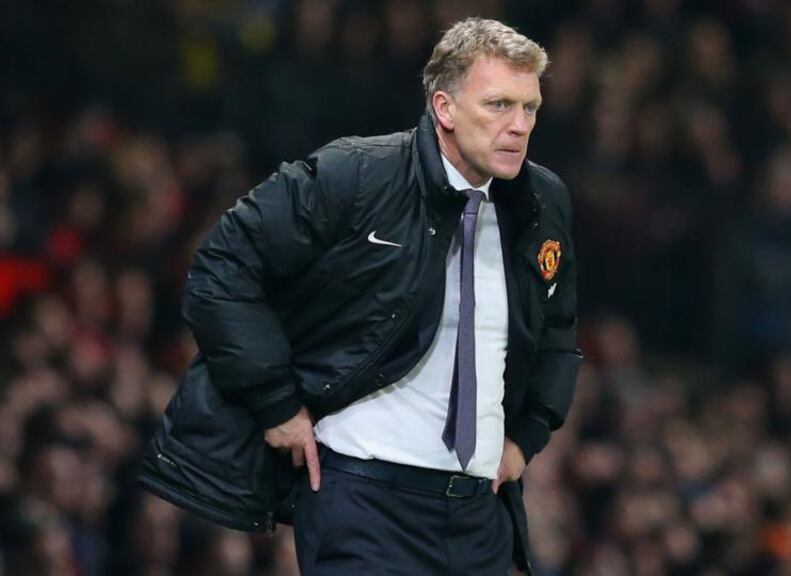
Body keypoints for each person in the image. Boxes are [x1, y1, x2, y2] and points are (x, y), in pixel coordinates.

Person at [138, 17, 581, 575]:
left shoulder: (542, 201)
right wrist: (275, 401)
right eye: (498, 105)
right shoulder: (359, 173)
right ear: (444, 108)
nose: (519, 126)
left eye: (530, 108)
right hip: (364, 498)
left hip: (478, 515)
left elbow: (558, 332)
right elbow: (223, 267)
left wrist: (526, 438)